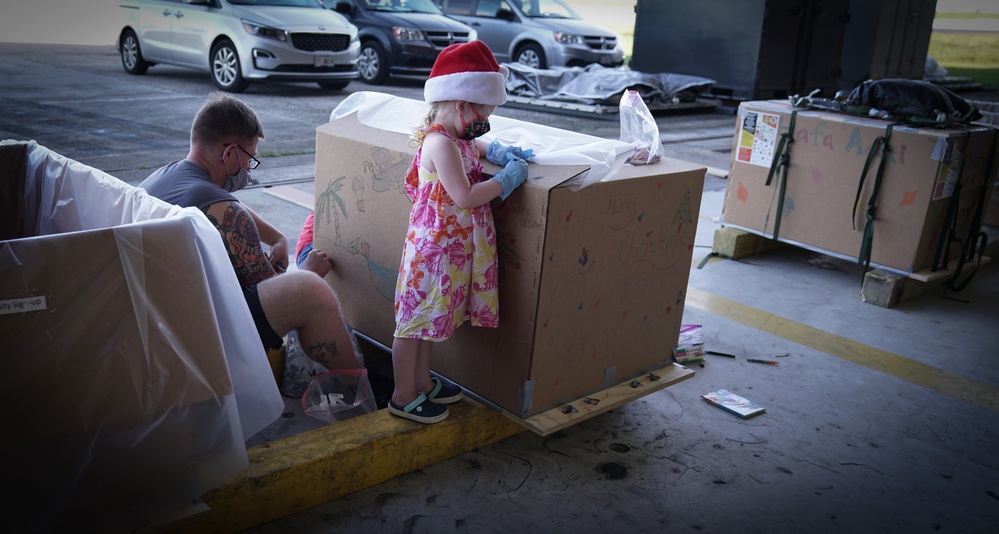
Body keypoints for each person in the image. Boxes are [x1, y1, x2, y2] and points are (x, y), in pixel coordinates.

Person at [140, 92, 362, 374]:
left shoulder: (164, 178)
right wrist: (308, 272)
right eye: (250, 159)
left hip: (160, 315)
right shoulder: (226, 211)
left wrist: (279, 238)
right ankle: (356, 387)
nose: (248, 170)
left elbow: (224, 204)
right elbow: (277, 292)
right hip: (199, 328)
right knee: (310, 292)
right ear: (230, 153)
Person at [390, 40, 533, 423]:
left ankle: (421, 382)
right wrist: (506, 180)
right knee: (413, 323)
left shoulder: (459, 137)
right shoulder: (441, 144)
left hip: (445, 251)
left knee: (429, 321)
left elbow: (478, 144)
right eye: (485, 111)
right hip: (431, 253)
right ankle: (403, 394)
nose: (487, 119)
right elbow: (465, 196)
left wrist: (499, 150)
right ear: (462, 104)